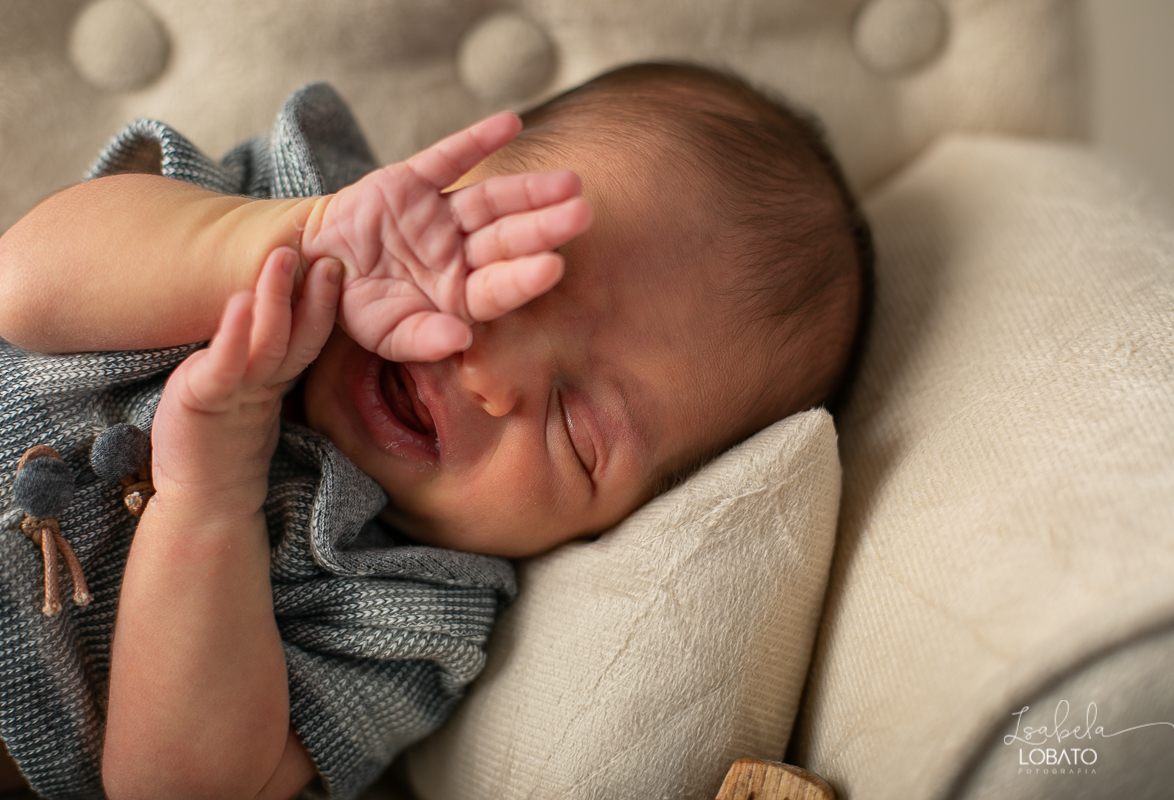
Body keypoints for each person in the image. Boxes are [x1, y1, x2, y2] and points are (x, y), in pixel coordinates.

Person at [0, 62, 871, 800]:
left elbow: (176, 786)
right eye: (507, 280)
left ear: (615, 524)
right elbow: (23, 286)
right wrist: (289, 240)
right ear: (454, 182)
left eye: (574, 426)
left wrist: (210, 501)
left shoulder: (414, 607)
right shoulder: (291, 206)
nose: (486, 372)